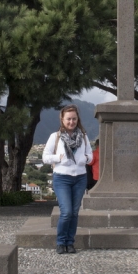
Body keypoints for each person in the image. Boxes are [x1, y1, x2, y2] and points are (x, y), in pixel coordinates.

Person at [43, 104, 93, 254]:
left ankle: (70, 242)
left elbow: (90, 156)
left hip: (80, 178)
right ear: (62, 120)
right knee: (66, 212)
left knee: (75, 212)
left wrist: (85, 158)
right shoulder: (56, 136)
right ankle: (60, 241)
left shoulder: (83, 136)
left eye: (74, 119)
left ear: (78, 119)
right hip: (62, 178)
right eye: (68, 119)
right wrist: (58, 157)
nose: (71, 122)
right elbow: (45, 157)